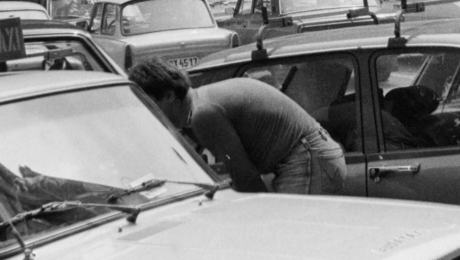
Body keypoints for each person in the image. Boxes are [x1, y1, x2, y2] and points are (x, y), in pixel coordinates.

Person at [129, 60, 346, 195]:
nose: (148, 113)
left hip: (309, 158)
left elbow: (245, 178)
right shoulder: (200, 105)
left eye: (148, 104)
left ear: (168, 96)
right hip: (315, 156)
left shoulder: (203, 115)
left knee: (283, 235)